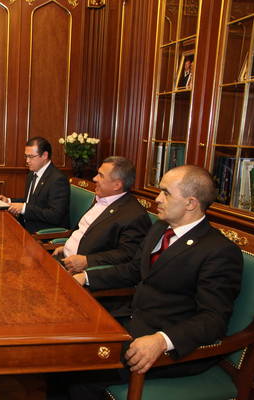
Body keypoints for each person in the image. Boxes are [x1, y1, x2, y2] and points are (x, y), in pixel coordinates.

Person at [67, 165, 243, 399]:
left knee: (83, 374)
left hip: (171, 348)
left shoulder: (219, 251)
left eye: (166, 193)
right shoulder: (160, 228)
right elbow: (133, 270)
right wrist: (87, 277)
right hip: (132, 321)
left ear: (190, 203)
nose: (157, 199)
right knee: (69, 349)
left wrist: (162, 341)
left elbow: (214, 319)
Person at [53, 156, 151, 273]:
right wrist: (67, 247)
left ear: (117, 185)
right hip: (63, 258)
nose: (94, 178)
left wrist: (87, 261)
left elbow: (127, 255)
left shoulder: (135, 215)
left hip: (82, 272)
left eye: (101, 175)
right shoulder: (102, 198)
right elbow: (85, 232)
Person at [0, 136, 69, 233]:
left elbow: (55, 215)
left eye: (31, 157)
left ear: (44, 155)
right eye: (26, 156)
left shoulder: (58, 179)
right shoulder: (32, 174)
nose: (27, 161)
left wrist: (24, 208)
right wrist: (8, 201)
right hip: (26, 225)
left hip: (43, 232)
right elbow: (30, 201)